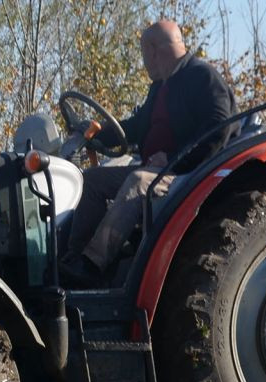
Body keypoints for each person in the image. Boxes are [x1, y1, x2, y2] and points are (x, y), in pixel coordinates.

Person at [61, 19, 237, 287]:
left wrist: (174, 158)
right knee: (92, 179)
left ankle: (93, 265)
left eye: (144, 54)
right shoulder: (160, 87)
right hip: (157, 169)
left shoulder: (202, 77)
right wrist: (97, 133)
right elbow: (136, 127)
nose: (144, 62)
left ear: (154, 50)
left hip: (189, 173)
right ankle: (72, 259)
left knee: (138, 182)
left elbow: (218, 128)